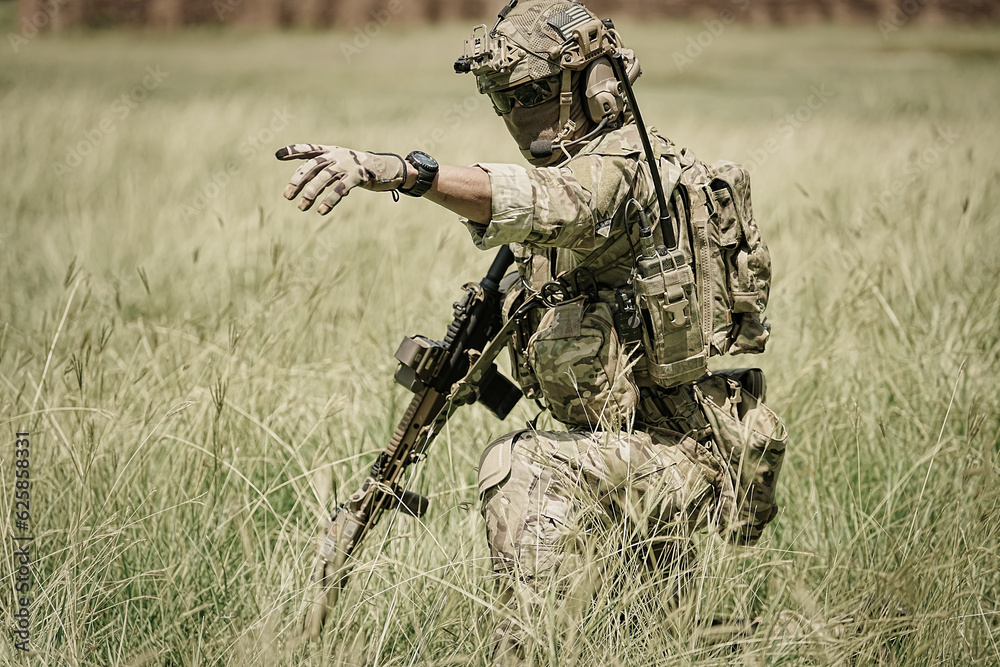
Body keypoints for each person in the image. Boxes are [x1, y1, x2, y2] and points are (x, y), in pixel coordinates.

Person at [276, 1, 786, 663]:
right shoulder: (573, 178)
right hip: (625, 452)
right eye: (503, 99)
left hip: (687, 454)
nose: (521, 115)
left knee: (522, 464)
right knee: (658, 643)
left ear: (596, 82)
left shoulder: (629, 169)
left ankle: (526, 652)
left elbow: (549, 202)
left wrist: (405, 171)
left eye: (537, 93)